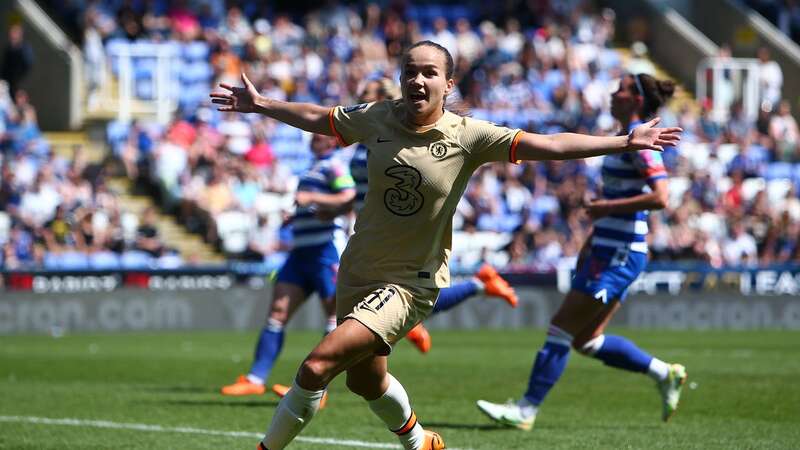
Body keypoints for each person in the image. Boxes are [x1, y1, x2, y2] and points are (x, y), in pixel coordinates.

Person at [210, 41, 681, 450]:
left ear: (448, 84)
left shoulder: (468, 136)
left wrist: (623, 142)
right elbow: (318, 117)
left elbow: (550, 143)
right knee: (365, 381)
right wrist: (261, 104)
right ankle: (420, 441)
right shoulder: (377, 117)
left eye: (429, 72)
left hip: (408, 283)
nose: (417, 80)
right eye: (409, 71)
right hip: (357, 270)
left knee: (316, 366)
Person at [476, 73, 687, 431]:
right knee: (586, 340)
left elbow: (661, 197)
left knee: (560, 328)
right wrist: (591, 239)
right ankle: (664, 373)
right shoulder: (627, 138)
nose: (612, 92)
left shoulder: (639, 139)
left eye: (620, 88)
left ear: (635, 99)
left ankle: (526, 409)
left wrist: (604, 209)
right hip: (608, 247)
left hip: (620, 253)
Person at [220, 133, 355, 397]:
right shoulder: (312, 168)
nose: (314, 138)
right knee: (278, 312)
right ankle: (255, 378)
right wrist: (297, 216)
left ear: (332, 141)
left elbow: (348, 196)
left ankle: (318, 389)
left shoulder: (335, 166)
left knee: (333, 316)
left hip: (325, 252)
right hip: (300, 253)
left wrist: (311, 200)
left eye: (320, 135)